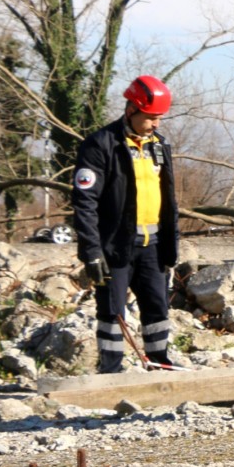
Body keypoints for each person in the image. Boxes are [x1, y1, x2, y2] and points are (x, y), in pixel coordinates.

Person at [71, 75, 181, 373]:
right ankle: (111, 372)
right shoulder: (100, 145)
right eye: (150, 118)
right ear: (132, 109)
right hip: (115, 248)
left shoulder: (159, 145)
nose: (156, 124)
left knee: (157, 311)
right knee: (112, 314)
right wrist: (91, 252)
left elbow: (168, 199)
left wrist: (172, 244)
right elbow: (85, 203)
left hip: (153, 248)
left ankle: (161, 366)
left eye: (159, 118)